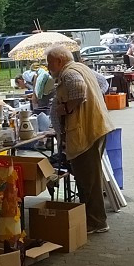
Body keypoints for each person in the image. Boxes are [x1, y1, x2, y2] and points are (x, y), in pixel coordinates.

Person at [45, 45, 113, 234]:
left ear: (59, 61)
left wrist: (67, 108)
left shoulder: (69, 73)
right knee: (89, 178)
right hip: (96, 127)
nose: (48, 67)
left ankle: (96, 222)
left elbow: (79, 88)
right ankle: (92, 220)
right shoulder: (81, 67)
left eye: (49, 63)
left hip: (85, 132)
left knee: (87, 180)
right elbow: (102, 84)